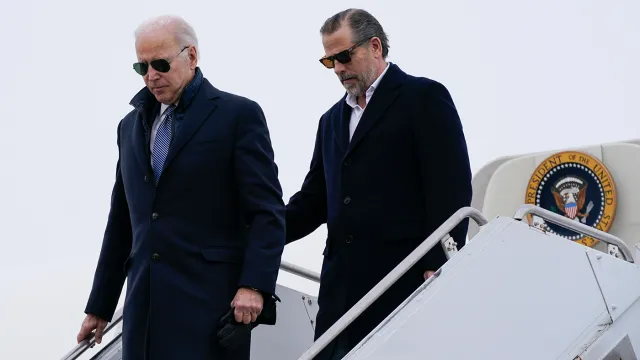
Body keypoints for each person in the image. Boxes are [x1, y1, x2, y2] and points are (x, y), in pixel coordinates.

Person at [76, 15, 286, 360]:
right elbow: (122, 222)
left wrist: (255, 286)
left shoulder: (238, 115)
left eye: (160, 63)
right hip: (144, 313)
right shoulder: (129, 128)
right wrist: (99, 306)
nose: (150, 76)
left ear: (192, 56)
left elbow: (266, 211)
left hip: (210, 308)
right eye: (141, 66)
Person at [285, 8, 473, 359]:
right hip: (339, 294)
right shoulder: (330, 121)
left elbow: (451, 188)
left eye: (344, 56)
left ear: (375, 46)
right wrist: (258, 230)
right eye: (330, 61)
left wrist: (439, 264)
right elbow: (313, 201)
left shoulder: (423, 98)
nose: (339, 68)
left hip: (404, 281)